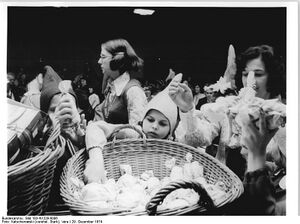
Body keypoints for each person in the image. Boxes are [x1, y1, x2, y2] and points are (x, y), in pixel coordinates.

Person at [83, 76, 180, 184]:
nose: (155, 126)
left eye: (162, 123)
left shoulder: (172, 147)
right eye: (150, 120)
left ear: (170, 129)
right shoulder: (136, 134)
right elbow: (95, 127)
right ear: (143, 120)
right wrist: (96, 160)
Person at [94, 38, 147, 125]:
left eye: (103, 57)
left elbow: (137, 132)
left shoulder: (133, 92)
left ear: (117, 60)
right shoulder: (111, 88)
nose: (99, 61)